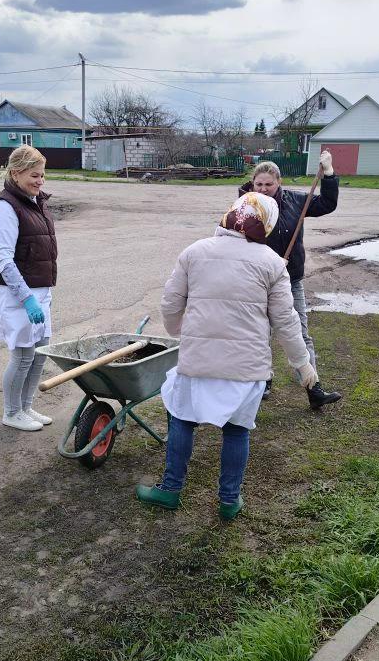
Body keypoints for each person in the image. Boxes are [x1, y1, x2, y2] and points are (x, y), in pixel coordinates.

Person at [135, 192, 317, 520]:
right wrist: (302, 363)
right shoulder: (273, 264)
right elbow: (286, 320)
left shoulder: (195, 252)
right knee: (236, 430)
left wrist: (177, 329)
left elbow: (170, 303)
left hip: (198, 359)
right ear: (268, 224)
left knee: (181, 417)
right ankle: (229, 500)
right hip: (247, 366)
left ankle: (170, 489)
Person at [239, 153, 341, 409]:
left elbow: (327, 203)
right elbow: (237, 242)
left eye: (268, 184)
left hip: (290, 279)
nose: (263, 189)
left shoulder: (296, 201)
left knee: (300, 332)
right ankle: (263, 382)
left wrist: (328, 173)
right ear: (252, 183)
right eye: (258, 184)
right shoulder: (246, 205)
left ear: (278, 183)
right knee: (260, 333)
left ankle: (313, 388)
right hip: (257, 281)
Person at [0, 145, 57, 432]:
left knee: (40, 352)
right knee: (23, 355)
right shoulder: (4, 207)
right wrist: (27, 298)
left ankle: (26, 408)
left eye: (42, 176)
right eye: (34, 175)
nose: (40, 181)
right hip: (17, 294)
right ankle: (12, 412)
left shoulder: (34, 202)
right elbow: (3, 259)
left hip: (39, 290)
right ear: (16, 173)